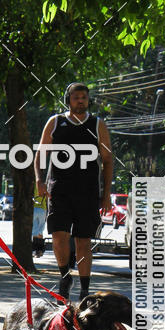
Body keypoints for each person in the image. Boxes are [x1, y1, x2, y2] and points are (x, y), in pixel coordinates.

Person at [34, 82, 113, 300]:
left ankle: (85, 288)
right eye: (76, 97)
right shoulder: (56, 122)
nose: (81, 100)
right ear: (68, 100)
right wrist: (40, 179)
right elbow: (40, 154)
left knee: (83, 241)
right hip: (58, 190)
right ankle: (65, 275)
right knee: (59, 235)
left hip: (87, 193)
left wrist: (106, 194)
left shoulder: (98, 125)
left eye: (84, 97)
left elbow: (107, 160)